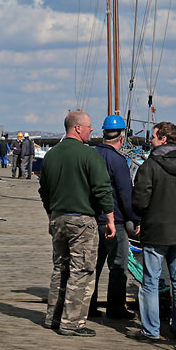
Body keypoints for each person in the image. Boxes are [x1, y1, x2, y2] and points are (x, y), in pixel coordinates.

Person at [39, 110, 116, 337]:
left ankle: (53, 316)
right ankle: (71, 322)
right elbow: (102, 189)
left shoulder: (51, 155)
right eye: (89, 126)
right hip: (82, 220)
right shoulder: (89, 155)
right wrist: (110, 219)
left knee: (59, 269)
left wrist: (50, 215)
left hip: (59, 218)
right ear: (78, 128)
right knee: (81, 271)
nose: (93, 130)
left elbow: (44, 190)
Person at [130, 121, 176, 341]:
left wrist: (142, 216)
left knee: (151, 281)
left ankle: (150, 330)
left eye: (152, 137)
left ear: (162, 139)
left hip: (156, 231)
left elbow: (140, 201)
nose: (149, 140)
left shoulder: (149, 166)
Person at [89, 114, 141, 320]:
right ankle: (116, 308)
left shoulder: (92, 155)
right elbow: (125, 193)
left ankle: (89, 306)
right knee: (118, 266)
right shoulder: (118, 161)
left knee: (93, 266)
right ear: (122, 136)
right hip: (115, 221)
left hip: (93, 220)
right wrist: (135, 218)